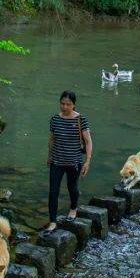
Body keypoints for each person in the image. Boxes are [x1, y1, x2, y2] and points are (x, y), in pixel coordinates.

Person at [46, 90, 92, 232]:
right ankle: (52, 221)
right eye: (62, 104)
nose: (65, 107)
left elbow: (88, 142)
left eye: (68, 104)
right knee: (53, 191)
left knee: (72, 188)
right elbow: (52, 139)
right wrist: (49, 156)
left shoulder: (81, 119)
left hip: (74, 162)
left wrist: (87, 161)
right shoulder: (55, 119)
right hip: (57, 161)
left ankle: (73, 208)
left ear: (74, 105)